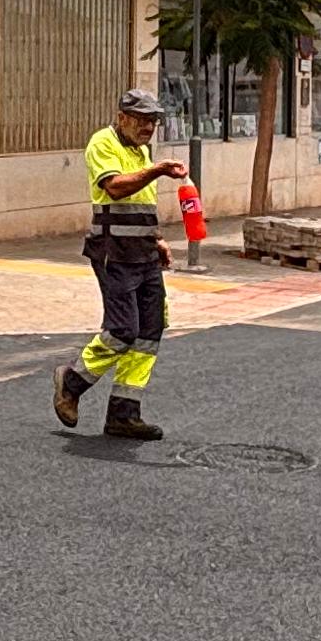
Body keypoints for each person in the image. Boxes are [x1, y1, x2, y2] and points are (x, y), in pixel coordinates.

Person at [58, 87, 189, 443]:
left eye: (153, 120)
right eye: (142, 119)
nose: (148, 127)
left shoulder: (142, 150)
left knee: (149, 331)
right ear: (122, 118)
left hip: (143, 253)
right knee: (121, 330)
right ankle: (71, 382)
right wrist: (158, 170)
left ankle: (123, 414)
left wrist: (157, 238)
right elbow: (115, 188)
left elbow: (141, 205)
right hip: (112, 252)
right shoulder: (103, 143)